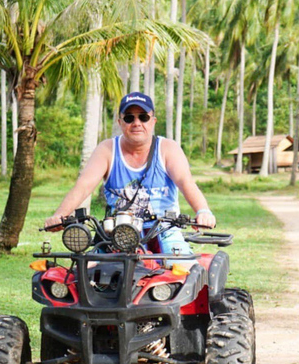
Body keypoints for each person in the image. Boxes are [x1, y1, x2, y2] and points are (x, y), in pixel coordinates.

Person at [44, 92, 215, 254]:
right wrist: (60, 215)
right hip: (117, 232)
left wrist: (203, 211)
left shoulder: (167, 149)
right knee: (89, 271)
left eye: (143, 117)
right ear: (120, 122)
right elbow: (83, 186)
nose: (136, 123)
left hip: (164, 229)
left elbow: (186, 182)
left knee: (181, 269)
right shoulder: (107, 149)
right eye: (129, 118)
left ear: (153, 121)